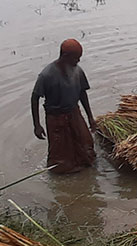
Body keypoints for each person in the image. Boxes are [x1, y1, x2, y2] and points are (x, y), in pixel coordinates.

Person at [31, 38, 97, 173]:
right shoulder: (47, 75)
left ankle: (83, 173)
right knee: (60, 157)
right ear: (65, 56)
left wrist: (90, 117)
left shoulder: (77, 71)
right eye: (75, 58)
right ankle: (62, 173)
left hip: (74, 113)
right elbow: (34, 98)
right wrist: (37, 125)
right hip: (56, 119)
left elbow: (82, 94)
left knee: (86, 146)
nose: (78, 61)